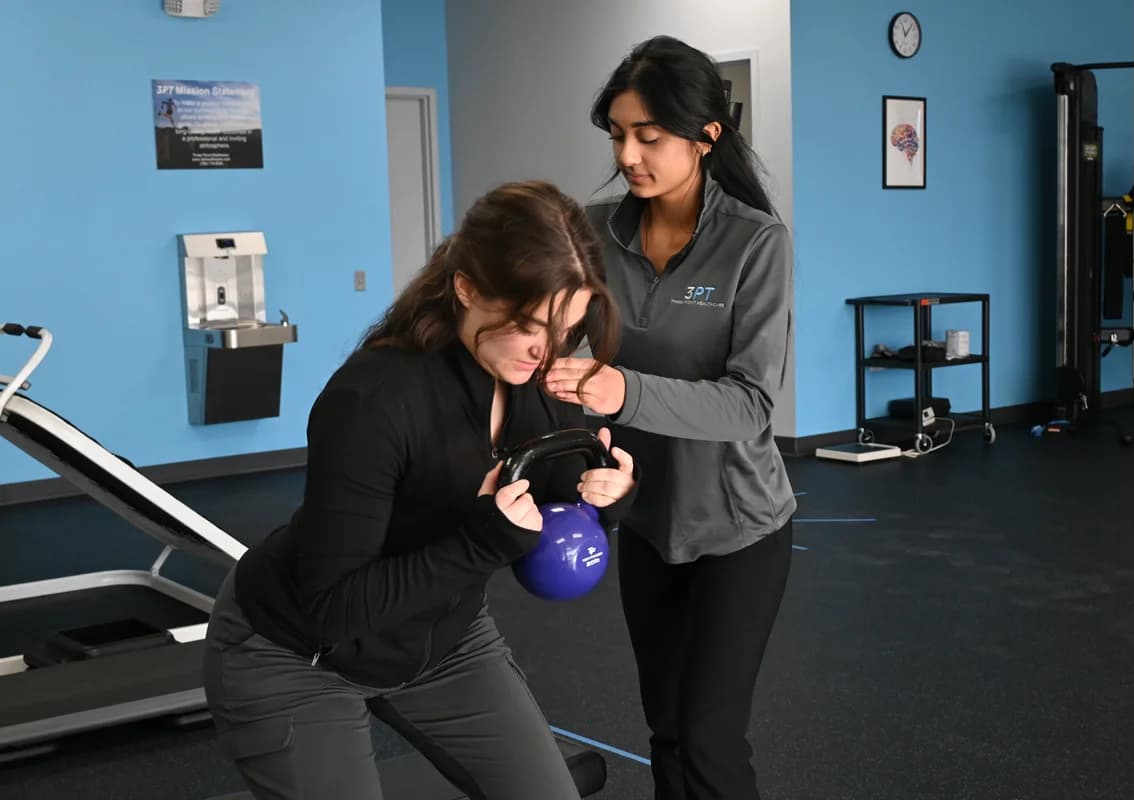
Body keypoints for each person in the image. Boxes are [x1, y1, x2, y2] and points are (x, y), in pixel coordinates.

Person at [203, 180, 638, 800]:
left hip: (443, 639)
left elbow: (568, 482)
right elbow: (334, 610)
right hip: (298, 655)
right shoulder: (375, 399)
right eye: (528, 324)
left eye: (565, 329)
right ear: (466, 288)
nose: (547, 351)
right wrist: (483, 541)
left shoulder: (537, 378)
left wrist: (612, 493)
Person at [544, 35, 796, 800]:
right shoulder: (592, 234)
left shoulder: (756, 242)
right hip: (645, 518)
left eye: (648, 137)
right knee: (666, 733)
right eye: (618, 135)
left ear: (706, 137)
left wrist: (624, 390)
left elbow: (752, 403)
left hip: (739, 526)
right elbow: (545, 339)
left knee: (710, 739)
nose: (628, 154)